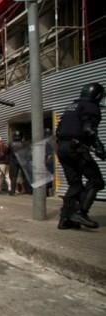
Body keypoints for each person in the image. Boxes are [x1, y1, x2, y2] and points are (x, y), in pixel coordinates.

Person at [56, 82, 105, 230]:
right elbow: (89, 129)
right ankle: (80, 212)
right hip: (76, 149)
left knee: (75, 184)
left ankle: (65, 219)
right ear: (97, 95)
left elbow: (59, 130)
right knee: (96, 180)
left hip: (62, 148)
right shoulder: (91, 106)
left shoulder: (72, 106)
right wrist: (99, 147)